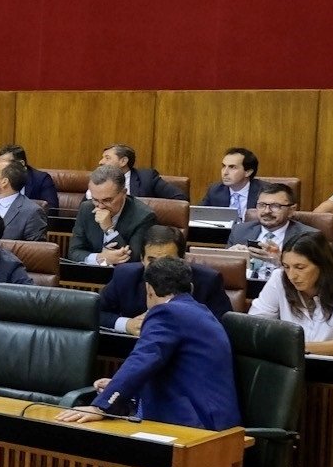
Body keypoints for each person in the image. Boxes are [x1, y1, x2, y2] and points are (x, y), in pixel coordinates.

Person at [61, 257, 240, 430]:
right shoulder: (199, 311)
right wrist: (120, 386)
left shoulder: (167, 313)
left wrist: (101, 406)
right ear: (189, 287)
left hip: (196, 427)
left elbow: (143, 359)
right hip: (215, 422)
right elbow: (181, 376)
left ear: (150, 290)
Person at [249, 236, 333, 356]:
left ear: (322, 265)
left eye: (300, 267)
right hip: (285, 366)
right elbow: (254, 325)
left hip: (331, 367)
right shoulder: (279, 278)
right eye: (286, 267)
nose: (291, 276)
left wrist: (299, 347)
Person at [96, 227, 233, 333]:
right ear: (142, 259)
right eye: (151, 260)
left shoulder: (207, 281)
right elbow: (94, 313)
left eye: (166, 260)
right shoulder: (125, 276)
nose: (158, 267)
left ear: (182, 259)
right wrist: (127, 324)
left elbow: (223, 327)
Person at [229, 180, 321, 289]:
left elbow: (320, 277)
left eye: (275, 206)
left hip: (287, 293)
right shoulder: (240, 231)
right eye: (262, 205)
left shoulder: (309, 237)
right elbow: (221, 272)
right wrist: (231, 258)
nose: (266, 211)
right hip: (245, 290)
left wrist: (281, 261)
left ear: (292, 210)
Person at [68, 165, 155, 265]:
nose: (100, 206)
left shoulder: (144, 216)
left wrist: (109, 229)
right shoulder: (86, 209)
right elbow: (73, 252)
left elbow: (134, 260)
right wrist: (100, 258)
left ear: (124, 193)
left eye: (107, 200)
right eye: (95, 199)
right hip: (88, 275)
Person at [98, 144, 184, 200]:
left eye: (107, 158)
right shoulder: (98, 179)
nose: (101, 162)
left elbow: (180, 198)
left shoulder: (147, 178)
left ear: (123, 161)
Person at [0, 145, 58, 212]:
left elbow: (52, 210)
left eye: (5, 165)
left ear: (21, 163)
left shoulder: (41, 179)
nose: (1, 169)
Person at [203, 147, 262, 216]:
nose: (225, 172)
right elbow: (199, 216)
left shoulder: (264, 192)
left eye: (232, 167)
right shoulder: (215, 190)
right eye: (224, 166)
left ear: (248, 172)